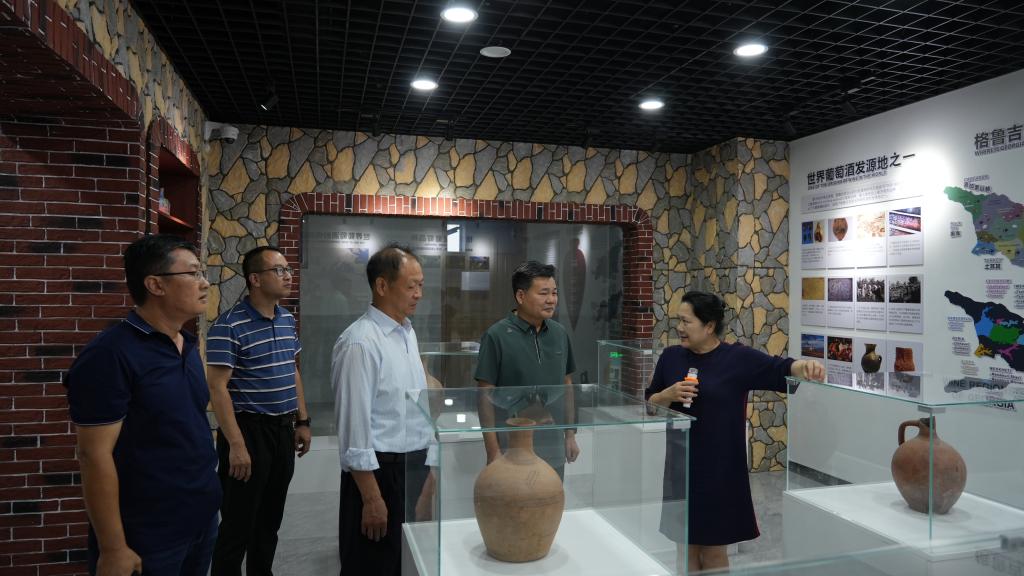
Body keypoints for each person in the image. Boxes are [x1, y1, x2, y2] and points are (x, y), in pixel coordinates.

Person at [66, 234, 221, 576]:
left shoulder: (186, 343)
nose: (204, 283)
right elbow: (93, 455)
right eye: (192, 273)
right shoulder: (110, 355)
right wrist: (113, 547)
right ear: (155, 284)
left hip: (201, 516)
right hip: (148, 531)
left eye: (202, 273)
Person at [645, 291, 825, 575]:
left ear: (709, 325)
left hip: (721, 472)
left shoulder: (737, 358)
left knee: (714, 552)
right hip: (681, 469)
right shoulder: (670, 357)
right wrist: (667, 394)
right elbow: (650, 404)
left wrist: (806, 366)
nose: (679, 327)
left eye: (686, 321)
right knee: (685, 549)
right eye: (678, 320)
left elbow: (781, 368)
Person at [206, 246, 311, 576]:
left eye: (288, 269)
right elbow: (217, 388)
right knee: (237, 526)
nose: (288, 276)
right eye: (279, 270)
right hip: (247, 431)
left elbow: (292, 370)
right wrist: (236, 446)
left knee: (269, 521)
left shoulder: (286, 318)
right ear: (255, 279)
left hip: (281, 430)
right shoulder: (228, 325)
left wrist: (303, 420)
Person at [331, 244, 434, 576]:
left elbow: (417, 407)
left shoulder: (407, 333)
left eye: (421, 285)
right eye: (411, 285)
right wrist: (372, 498)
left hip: (413, 467)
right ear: (382, 286)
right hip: (378, 474)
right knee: (371, 565)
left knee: (407, 563)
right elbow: (354, 428)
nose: (419, 294)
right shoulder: (360, 342)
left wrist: (429, 473)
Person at [475, 261, 580, 478]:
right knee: (513, 497)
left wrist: (570, 434)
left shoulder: (560, 334)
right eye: (543, 293)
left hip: (552, 442)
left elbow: (567, 385)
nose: (551, 300)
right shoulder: (496, 335)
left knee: (552, 495)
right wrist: (492, 450)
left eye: (554, 293)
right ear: (520, 296)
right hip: (511, 444)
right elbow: (485, 395)